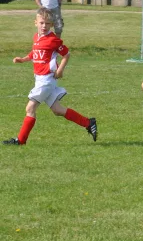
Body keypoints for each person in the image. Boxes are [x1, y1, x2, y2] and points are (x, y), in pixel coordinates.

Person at [3, 8, 97, 146]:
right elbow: (35, 53)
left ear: (51, 25)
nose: (44, 26)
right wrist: (23, 59)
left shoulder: (53, 40)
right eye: (41, 23)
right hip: (40, 79)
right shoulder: (36, 37)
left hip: (46, 80)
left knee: (30, 108)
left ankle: (21, 140)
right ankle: (89, 123)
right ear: (35, 22)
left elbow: (66, 54)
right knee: (57, 110)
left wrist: (60, 70)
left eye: (47, 23)